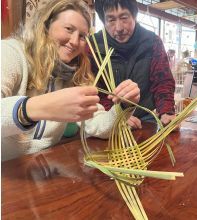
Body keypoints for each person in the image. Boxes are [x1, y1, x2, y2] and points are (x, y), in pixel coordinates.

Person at [1, 0, 140, 161]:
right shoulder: (11, 53)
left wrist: (124, 105)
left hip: (44, 168)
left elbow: (99, 127)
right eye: (68, 29)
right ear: (46, 25)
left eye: (82, 36)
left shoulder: (75, 73)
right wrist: (33, 108)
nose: (74, 41)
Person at [92, 0, 176, 129]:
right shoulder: (94, 46)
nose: (119, 28)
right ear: (103, 20)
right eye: (111, 20)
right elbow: (95, 91)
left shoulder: (151, 41)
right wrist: (117, 116)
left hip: (146, 117)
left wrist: (167, 111)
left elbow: (162, 81)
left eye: (124, 17)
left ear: (134, 15)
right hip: (108, 119)